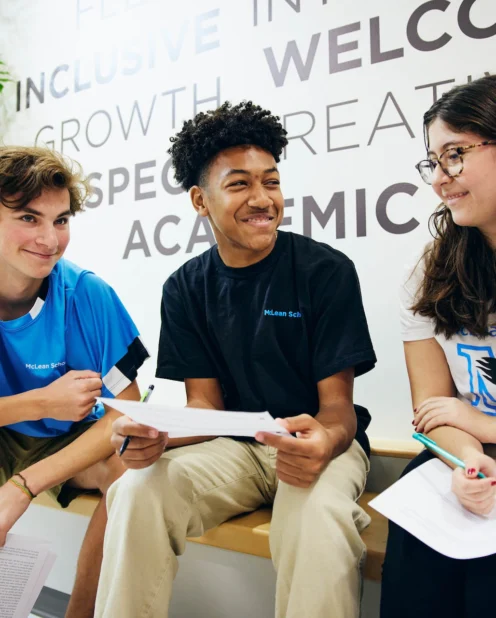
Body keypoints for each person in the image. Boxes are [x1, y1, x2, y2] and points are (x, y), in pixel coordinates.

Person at [95, 101, 377, 618]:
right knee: (138, 489)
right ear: (201, 200)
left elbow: (338, 409)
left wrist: (322, 442)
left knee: (316, 521)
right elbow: (205, 405)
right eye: (240, 184)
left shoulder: (325, 271)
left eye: (271, 182)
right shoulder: (184, 287)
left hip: (320, 445)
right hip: (235, 450)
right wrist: (156, 436)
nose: (262, 199)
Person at [0, 146, 149, 618]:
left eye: (61, 220)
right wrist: (39, 401)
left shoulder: (88, 293)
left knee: (132, 473)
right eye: (29, 217)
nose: (49, 238)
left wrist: (24, 486)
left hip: (69, 445)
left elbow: (127, 416)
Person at [380, 74, 496, 618]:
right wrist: (469, 461)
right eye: (434, 161)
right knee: (424, 509)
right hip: (474, 454)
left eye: (456, 155)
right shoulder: (433, 271)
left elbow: (462, 413)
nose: (440, 179)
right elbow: (432, 408)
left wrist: (482, 426)